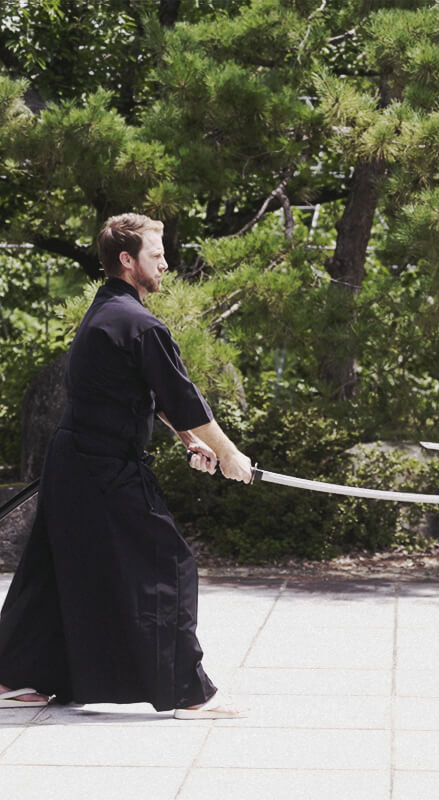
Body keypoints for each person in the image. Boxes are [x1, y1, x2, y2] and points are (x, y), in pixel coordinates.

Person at [0, 213, 253, 717]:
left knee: (55, 566)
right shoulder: (141, 323)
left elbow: (142, 393)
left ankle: (20, 676)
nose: (165, 264)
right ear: (127, 260)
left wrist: (188, 440)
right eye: (156, 256)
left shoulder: (107, 313)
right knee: (168, 561)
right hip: (103, 466)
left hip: (75, 460)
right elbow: (183, 398)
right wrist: (229, 455)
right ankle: (186, 691)